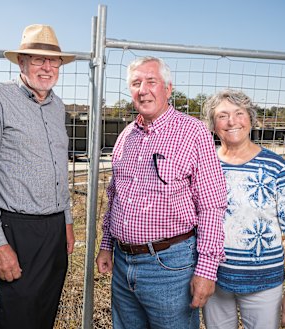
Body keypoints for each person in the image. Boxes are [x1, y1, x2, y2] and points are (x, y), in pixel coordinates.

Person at [95, 56, 228, 329]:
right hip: (123, 265)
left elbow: (212, 205)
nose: (143, 89)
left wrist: (206, 270)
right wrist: (107, 245)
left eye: (151, 81)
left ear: (168, 88)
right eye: (135, 83)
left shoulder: (193, 132)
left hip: (170, 268)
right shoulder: (126, 136)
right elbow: (115, 197)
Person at [0, 24, 76, 328]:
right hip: (17, 229)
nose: (47, 67)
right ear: (21, 62)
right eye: (38, 59)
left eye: (53, 61)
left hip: (54, 231)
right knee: (17, 319)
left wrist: (65, 222)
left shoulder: (58, 107)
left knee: (44, 315)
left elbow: (59, 170)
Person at [201, 89, 285, 329]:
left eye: (239, 113)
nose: (232, 121)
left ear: (250, 118)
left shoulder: (277, 168)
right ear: (212, 124)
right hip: (213, 279)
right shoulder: (204, 164)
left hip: (263, 282)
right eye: (222, 115)